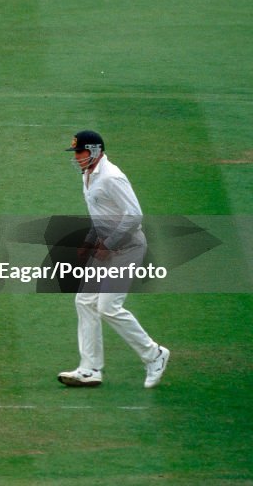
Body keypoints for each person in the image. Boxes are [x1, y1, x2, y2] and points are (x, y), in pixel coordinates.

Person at [59, 130, 170, 388]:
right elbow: (101, 215)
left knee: (108, 306)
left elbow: (134, 216)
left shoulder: (112, 178)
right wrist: (89, 241)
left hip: (127, 249)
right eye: (75, 152)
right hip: (104, 248)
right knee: (85, 301)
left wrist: (108, 244)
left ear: (95, 151)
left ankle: (154, 355)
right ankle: (90, 369)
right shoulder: (88, 175)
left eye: (80, 152)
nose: (76, 157)